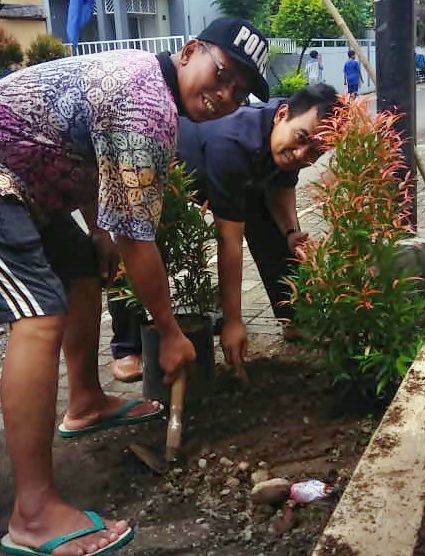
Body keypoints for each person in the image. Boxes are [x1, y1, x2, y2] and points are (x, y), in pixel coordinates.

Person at [0, 17, 269, 556]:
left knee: (79, 268)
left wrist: (97, 228)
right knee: (40, 315)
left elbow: (79, 149)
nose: (223, 95)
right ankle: (33, 513)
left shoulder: (147, 82)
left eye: (238, 92)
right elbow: (137, 238)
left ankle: (84, 401)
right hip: (6, 181)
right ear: (190, 50)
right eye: (220, 74)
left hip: (27, 180)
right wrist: (168, 331)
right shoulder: (147, 102)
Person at [109, 84, 338, 381]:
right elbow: (229, 239)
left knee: (272, 229)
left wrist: (292, 231)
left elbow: (282, 188)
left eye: (316, 152)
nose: (302, 154)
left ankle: (291, 316)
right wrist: (233, 321)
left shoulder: (290, 135)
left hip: (233, 176)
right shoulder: (235, 141)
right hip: (163, 173)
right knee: (137, 244)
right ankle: (127, 347)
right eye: (302, 140)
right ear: (282, 115)